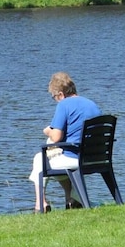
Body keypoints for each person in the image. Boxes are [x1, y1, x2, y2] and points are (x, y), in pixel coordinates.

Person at [28, 72, 101, 212]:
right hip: (94, 158)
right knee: (54, 156)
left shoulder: (64, 105)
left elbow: (56, 137)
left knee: (40, 158)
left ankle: (40, 203)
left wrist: (47, 131)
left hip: (75, 158)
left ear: (61, 94)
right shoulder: (92, 104)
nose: (55, 100)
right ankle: (71, 199)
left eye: (54, 97)